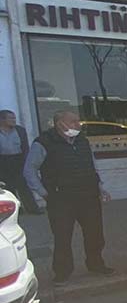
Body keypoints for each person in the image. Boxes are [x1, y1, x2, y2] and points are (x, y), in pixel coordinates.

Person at [24, 110, 114, 285]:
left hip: (88, 195)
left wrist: (100, 186)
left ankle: (96, 264)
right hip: (61, 199)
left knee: (94, 233)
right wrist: (43, 192)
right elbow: (29, 170)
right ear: (60, 124)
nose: (78, 125)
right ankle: (62, 272)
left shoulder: (82, 140)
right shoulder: (44, 143)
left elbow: (92, 165)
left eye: (78, 121)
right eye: (73, 122)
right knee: (62, 236)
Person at [0, 110, 39, 214]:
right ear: (2, 120)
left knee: (23, 185)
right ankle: (16, 210)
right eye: (11, 118)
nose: (14, 120)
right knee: (8, 187)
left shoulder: (20, 130)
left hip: (18, 159)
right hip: (3, 161)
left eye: (14, 118)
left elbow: (25, 146)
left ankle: (33, 208)